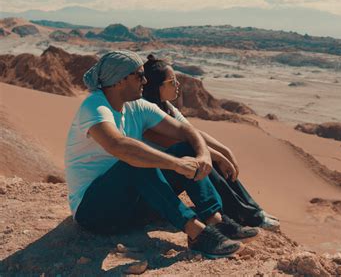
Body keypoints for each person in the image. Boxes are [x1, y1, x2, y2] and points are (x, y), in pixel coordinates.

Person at [65, 50, 259, 259]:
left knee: (185, 149)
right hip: (94, 212)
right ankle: (197, 234)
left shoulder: (137, 106)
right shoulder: (94, 106)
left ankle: (215, 220)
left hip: (131, 208)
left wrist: (202, 155)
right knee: (134, 162)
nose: (145, 80)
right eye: (139, 75)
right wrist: (175, 164)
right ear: (121, 80)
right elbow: (118, 145)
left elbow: (185, 131)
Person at [141, 54, 279, 230]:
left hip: (171, 173)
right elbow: (179, 142)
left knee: (209, 156)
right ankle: (245, 215)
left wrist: (224, 151)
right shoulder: (145, 111)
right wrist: (217, 157)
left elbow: (193, 133)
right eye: (172, 82)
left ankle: (252, 209)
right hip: (156, 186)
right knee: (197, 157)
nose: (178, 85)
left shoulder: (166, 106)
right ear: (155, 86)